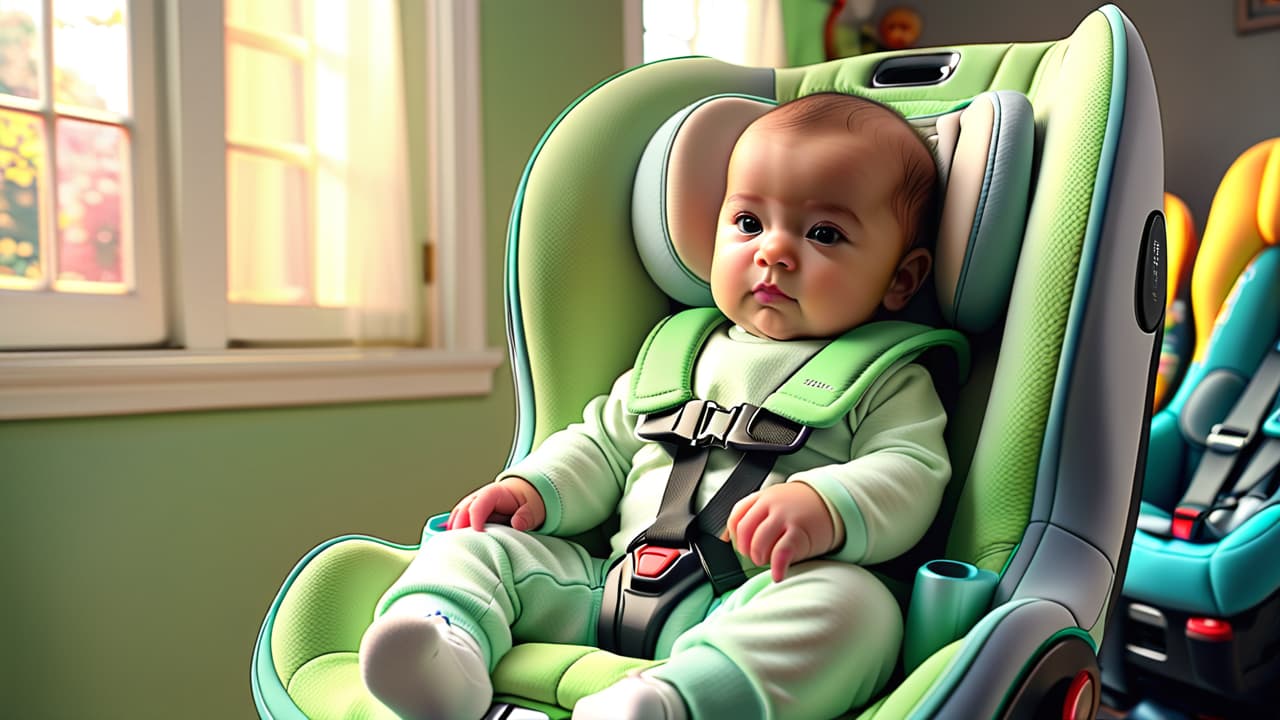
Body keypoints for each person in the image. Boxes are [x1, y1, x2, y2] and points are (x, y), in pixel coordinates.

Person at [358, 92, 949, 720]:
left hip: (755, 599)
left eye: (823, 234)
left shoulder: (889, 376)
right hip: (608, 586)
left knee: (861, 611)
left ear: (901, 280)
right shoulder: (677, 350)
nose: (772, 252)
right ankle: (439, 653)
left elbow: (912, 472)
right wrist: (534, 489)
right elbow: (602, 445)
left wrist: (827, 505)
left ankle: (674, 702)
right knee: (474, 543)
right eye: (749, 223)